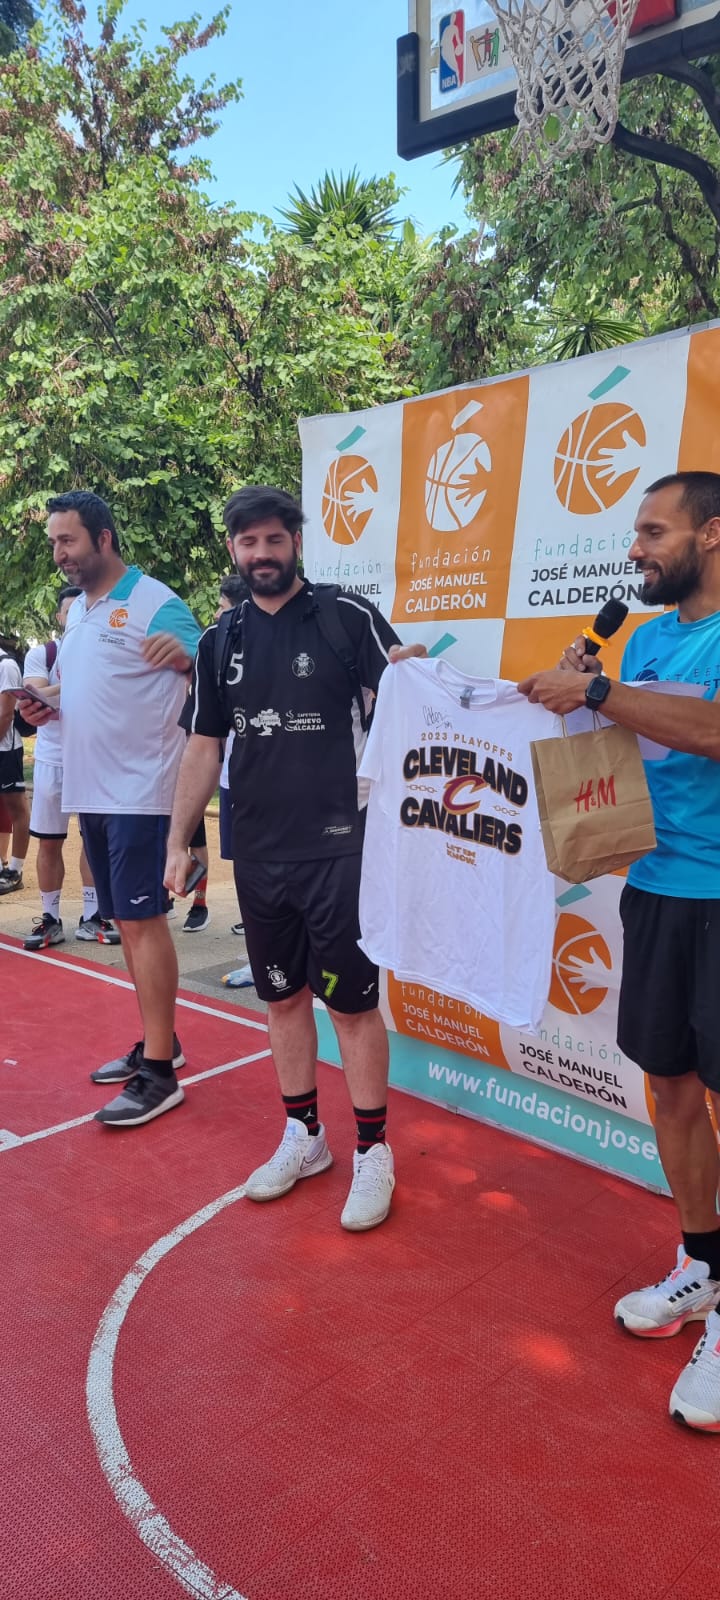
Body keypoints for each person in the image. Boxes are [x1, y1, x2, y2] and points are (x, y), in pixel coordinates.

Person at [518, 471, 720, 1433]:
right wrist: (582, 695)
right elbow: (629, 739)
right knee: (670, 1084)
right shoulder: (642, 639)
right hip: (656, 891)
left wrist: (602, 689)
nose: (635, 550)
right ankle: (704, 1263)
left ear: (711, 536)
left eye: (653, 531)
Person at [165, 485, 422, 1231]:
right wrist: (179, 840)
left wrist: (410, 676)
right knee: (281, 999)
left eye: (274, 540)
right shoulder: (219, 640)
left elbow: (402, 701)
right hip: (258, 851)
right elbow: (204, 746)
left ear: (296, 543)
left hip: (341, 848)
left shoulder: (345, 616)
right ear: (232, 550)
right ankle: (305, 1136)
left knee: (351, 1005)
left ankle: (373, 1149)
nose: (262, 554)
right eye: (248, 543)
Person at [24, 490, 201, 1127]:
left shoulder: (155, 602)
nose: (58, 553)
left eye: (67, 540)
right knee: (126, 924)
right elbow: (92, 689)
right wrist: (48, 704)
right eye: (53, 542)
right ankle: (161, 1043)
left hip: (141, 794)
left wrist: (189, 657)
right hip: (93, 791)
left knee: (143, 922)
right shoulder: (80, 612)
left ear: (103, 538)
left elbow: (216, 671)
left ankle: (160, 1074)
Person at [21, 585, 121, 950]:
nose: (79, 616)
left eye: (85, 610)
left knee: (92, 842)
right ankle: (50, 918)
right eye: (72, 610)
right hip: (52, 759)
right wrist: (74, 685)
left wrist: (55, 692)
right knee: (49, 842)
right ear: (61, 617)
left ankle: (93, 916)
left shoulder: (104, 650)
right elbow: (32, 694)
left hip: (92, 757)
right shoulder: (43, 653)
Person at [0, 633, 30, 894]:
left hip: (6, 749)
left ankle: (15, 871)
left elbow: (6, 714)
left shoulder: (6, 665)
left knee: (16, 807)